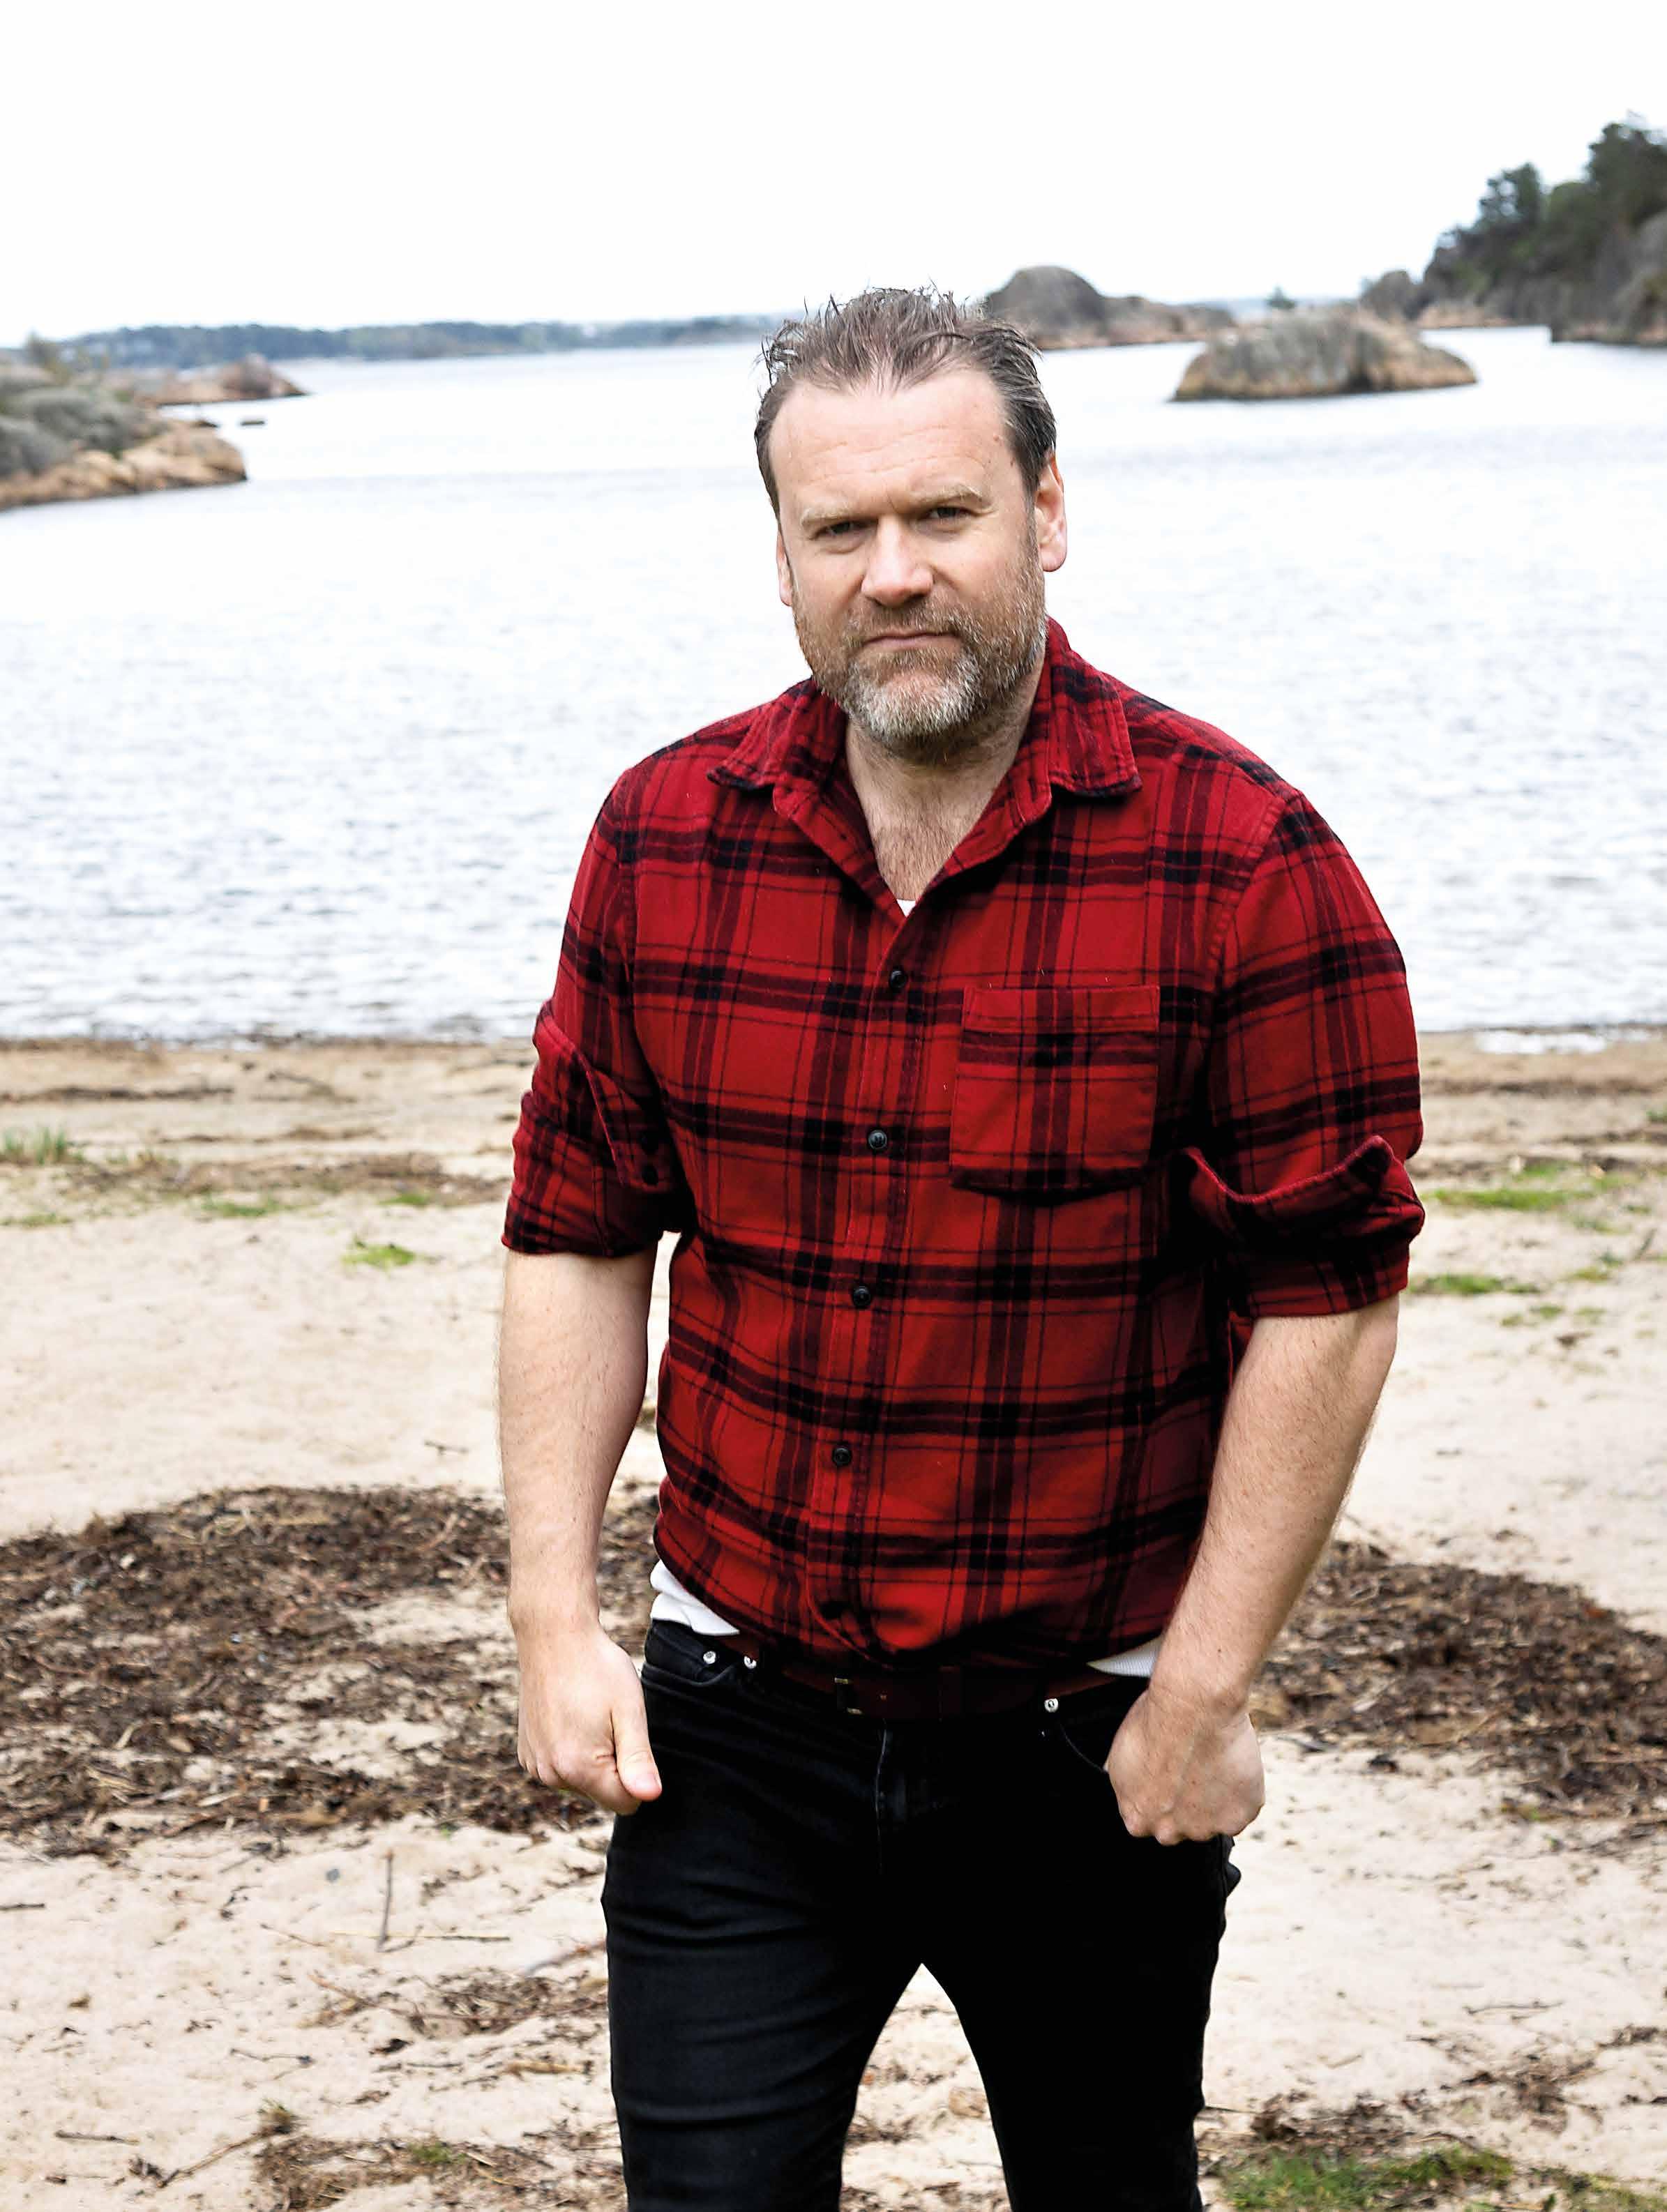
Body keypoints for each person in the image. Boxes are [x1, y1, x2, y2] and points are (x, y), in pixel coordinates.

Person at [497, 285, 1426, 2211]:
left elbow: (1328, 1297)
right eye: (841, 528)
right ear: (781, 555)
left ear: (1048, 512)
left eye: (946, 514)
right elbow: (578, 1233)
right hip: (732, 1731)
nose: (896, 572)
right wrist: (553, 1622)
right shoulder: (663, 838)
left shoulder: (1242, 858)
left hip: (1089, 1736)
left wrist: (1206, 1692)